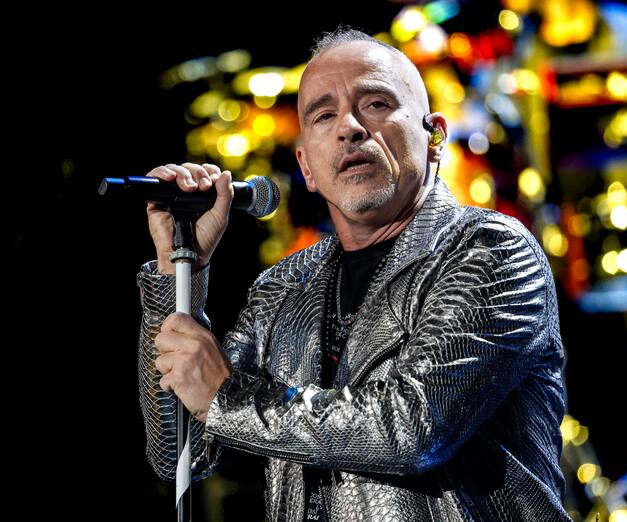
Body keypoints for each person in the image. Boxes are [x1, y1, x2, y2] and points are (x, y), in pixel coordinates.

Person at [136, 27, 570, 521]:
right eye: (323, 115)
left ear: (434, 137)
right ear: (307, 168)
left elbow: (411, 429)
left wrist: (226, 395)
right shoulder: (284, 287)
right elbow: (179, 452)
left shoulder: (490, 249)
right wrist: (178, 274)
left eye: (377, 104)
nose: (349, 127)